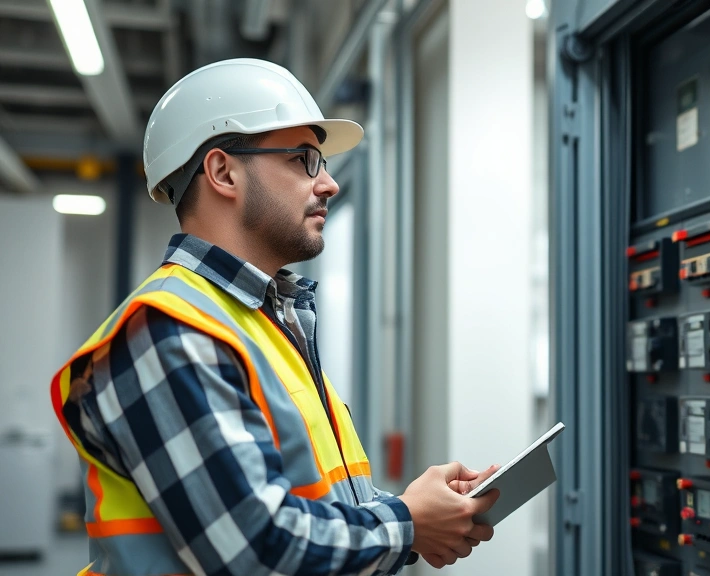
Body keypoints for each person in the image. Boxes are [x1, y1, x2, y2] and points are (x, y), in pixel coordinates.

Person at [50, 58, 500, 576]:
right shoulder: (167, 330)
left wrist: (425, 513)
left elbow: (309, 501)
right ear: (223, 172)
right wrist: (407, 522)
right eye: (304, 159)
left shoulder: (262, 321)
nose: (328, 183)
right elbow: (251, 550)